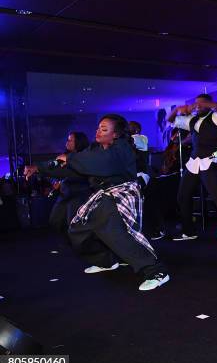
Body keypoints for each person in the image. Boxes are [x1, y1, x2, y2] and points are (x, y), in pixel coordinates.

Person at [25, 114, 170, 291]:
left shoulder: (122, 148)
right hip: (104, 195)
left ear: (115, 134)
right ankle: (105, 261)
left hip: (121, 193)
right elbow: (74, 170)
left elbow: (103, 165)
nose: (98, 132)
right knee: (78, 229)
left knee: (118, 235)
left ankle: (156, 272)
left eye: (104, 129)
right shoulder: (94, 149)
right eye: (98, 128)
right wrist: (39, 168)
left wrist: (70, 158)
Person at [166, 94, 217, 241]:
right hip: (194, 162)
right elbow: (169, 120)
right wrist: (177, 109)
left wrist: (206, 105)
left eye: (202, 103)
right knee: (183, 196)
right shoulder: (192, 120)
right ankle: (188, 231)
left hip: (210, 162)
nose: (198, 106)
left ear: (209, 104)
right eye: (196, 104)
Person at [46, 132, 90, 242]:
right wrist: (56, 182)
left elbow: (82, 175)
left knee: (73, 222)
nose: (67, 142)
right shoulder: (63, 156)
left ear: (78, 142)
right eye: (67, 139)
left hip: (78, 193)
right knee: (54, 220)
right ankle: (72, 241)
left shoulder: (84, 157)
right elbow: (55, 173)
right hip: (64, 193)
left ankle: (80, 244)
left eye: (70, 140)